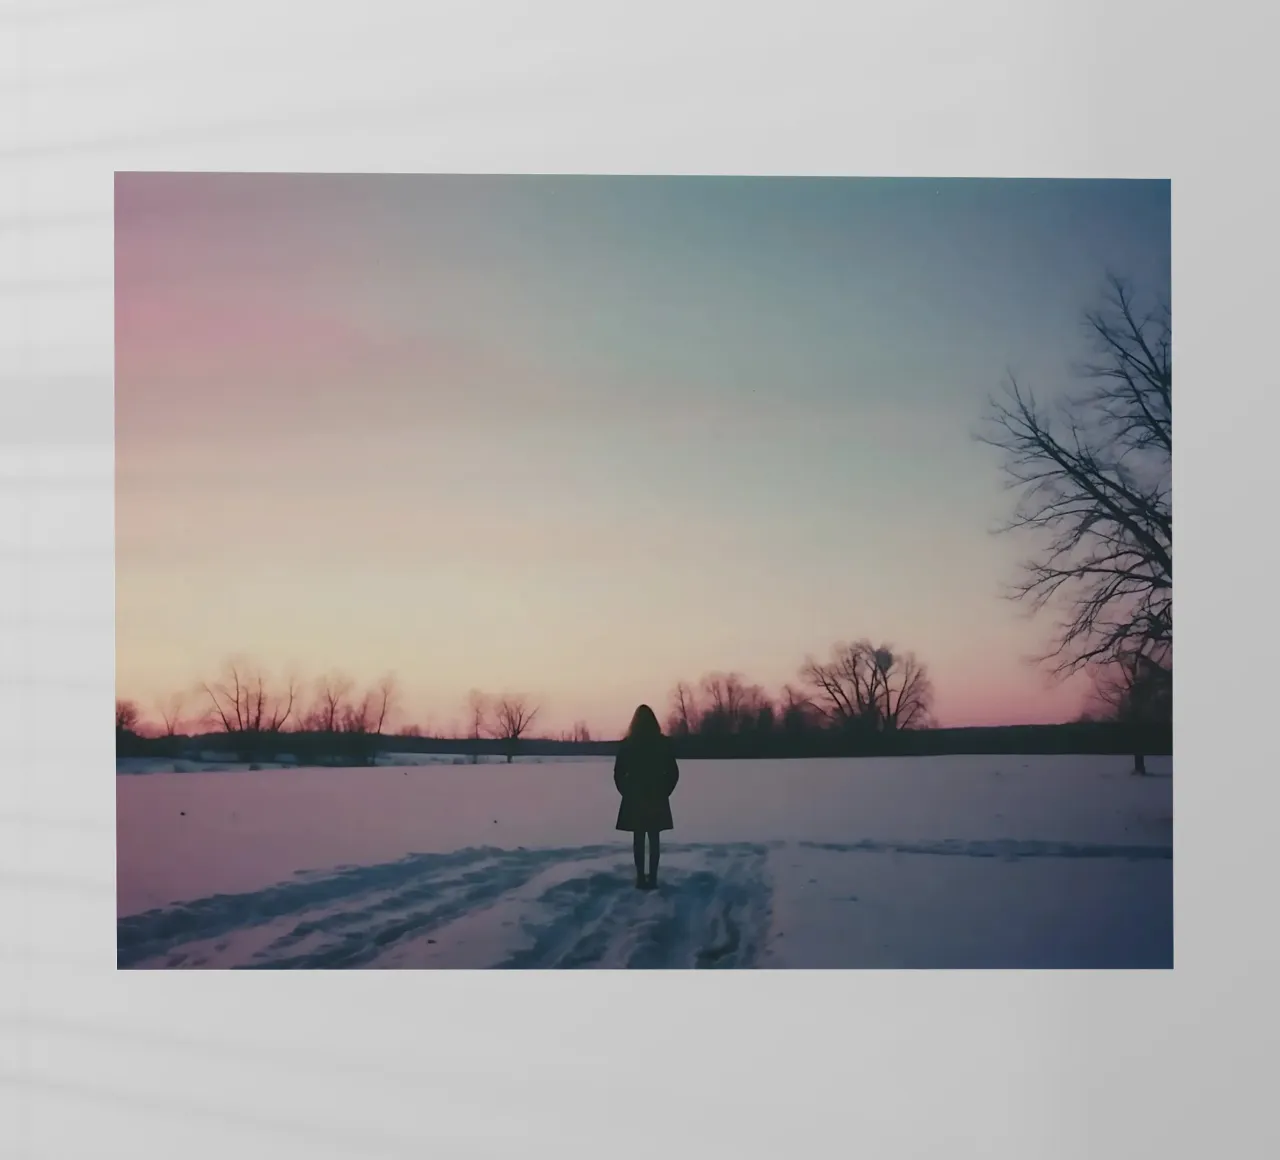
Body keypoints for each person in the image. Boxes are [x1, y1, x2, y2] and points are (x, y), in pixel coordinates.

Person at [613, 704, 680, 890]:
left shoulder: (628, 744)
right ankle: (653, 878)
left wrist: (627, 792)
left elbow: (618, 773)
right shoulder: (662, 743)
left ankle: (641, 878)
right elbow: (673, 772)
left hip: (636, 797)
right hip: (655, 796)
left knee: (639, 838)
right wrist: (665, 791)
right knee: (654, 838)